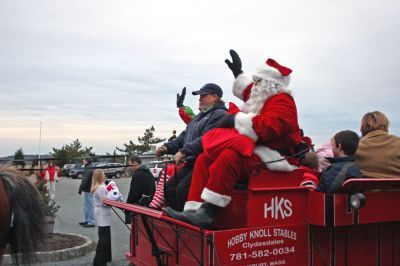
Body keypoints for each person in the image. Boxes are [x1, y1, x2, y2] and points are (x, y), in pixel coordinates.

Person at [165, 50, 302, 228]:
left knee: (230, 157)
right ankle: (193, 210)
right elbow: (250, 92)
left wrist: (236, 119)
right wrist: (238, 72)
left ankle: (208, 212)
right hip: (255, 147)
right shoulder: (263, 96)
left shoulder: (283, 101)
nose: (255, 85)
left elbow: (271, 126)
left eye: (258, 81)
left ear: (270, 83)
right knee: (205, 158)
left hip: (275, 154)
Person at [156, 83, 227, 211]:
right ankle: (175, 221)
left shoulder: (220, 115)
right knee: (170, 188)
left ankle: (188, 224)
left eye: (203, 95)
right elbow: (183, 137)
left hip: (205, 163)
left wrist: (184, 151)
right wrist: (166, 147)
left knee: (182, 190)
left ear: (215, 97)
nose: (200, 99)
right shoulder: (198, 118)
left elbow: (207, 139)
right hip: (191, 163)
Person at [355, 111, 400, 178]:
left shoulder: (355, 147)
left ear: (362, 127)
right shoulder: (398, 142)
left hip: (367, 188)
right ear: (386, 124)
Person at [91, 169, 122, 266]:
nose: (105, 176)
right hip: (102, 213)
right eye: (103, 174)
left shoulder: (101, 186)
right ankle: (99, 261)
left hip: (102, 212)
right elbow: (106, 202)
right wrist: (116, 198)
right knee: (103, 238)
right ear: (100, 176)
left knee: (105, 235)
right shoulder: (100, 188)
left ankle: (105, 257)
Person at [125, 155, 156, 223]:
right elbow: (154, 189)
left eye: (131, 164)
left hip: (139, 208)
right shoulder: (149, 174)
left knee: (137, 230)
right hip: (150, 206)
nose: (130, 167)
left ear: (135, 163)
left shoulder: (137, 175)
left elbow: (133, 194)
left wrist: (127, 207)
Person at [78, 156, 95, 227]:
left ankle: (91, 222)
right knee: (86, 205)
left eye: (84, 159)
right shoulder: (88, 168)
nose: (83, 160)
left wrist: (80, 189)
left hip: (89, 189)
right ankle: (86, 220)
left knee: (89, 206)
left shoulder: (88, 169)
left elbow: (85, 180)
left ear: (87, 161)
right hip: (88, 189)